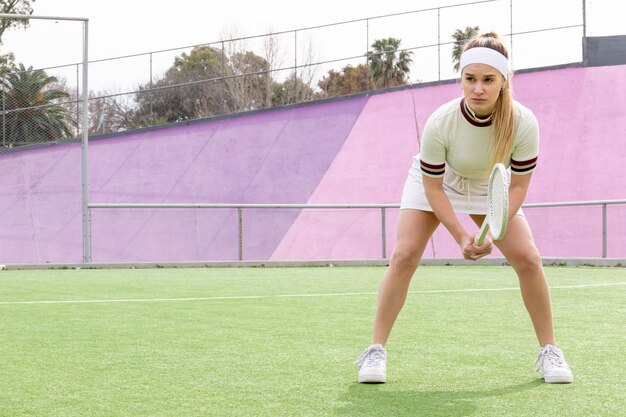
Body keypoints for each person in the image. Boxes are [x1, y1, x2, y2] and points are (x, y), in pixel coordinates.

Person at [355, 32, 573, 384]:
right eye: (470, 79)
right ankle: (375, 351)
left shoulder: (524, 122)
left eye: (488, 80)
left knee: (529, 259)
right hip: (440, 182)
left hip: (491, 185)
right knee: (405, 255)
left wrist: (494, 227)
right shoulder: (441, 122)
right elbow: (431, 187)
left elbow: (517, 186)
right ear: (461, 80)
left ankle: (550, 351)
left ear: (504, 81)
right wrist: (460, 235)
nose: (478, 89)